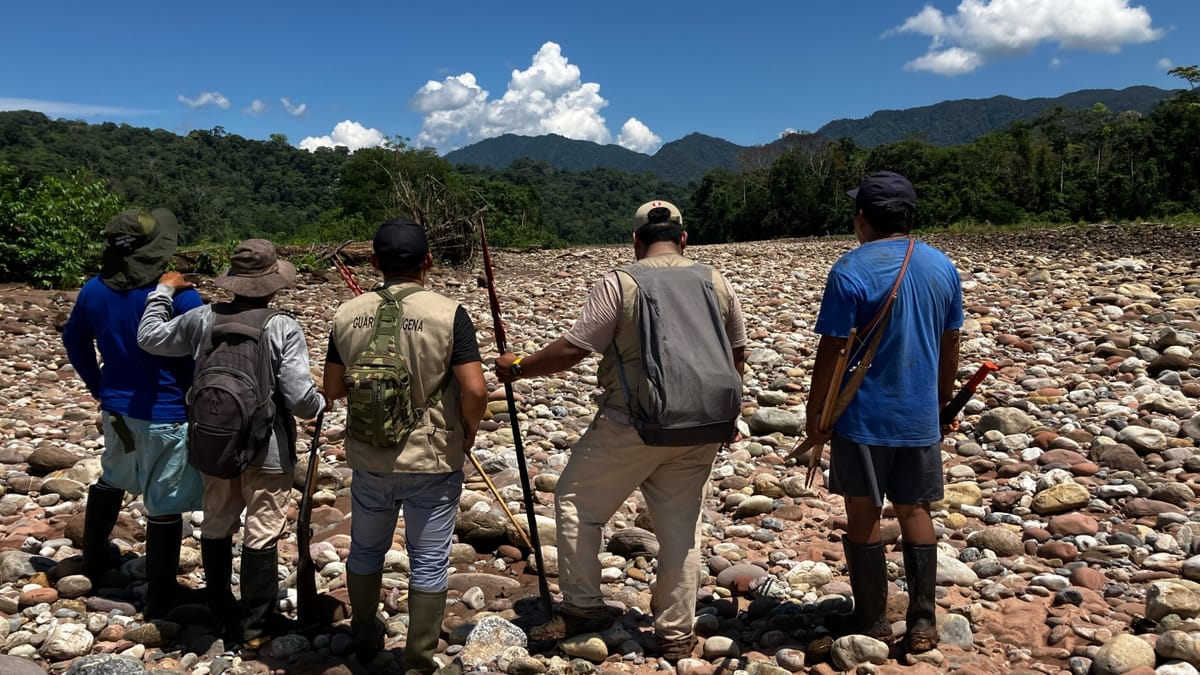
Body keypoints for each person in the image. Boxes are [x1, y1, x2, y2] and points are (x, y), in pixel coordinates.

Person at [496, 200, 747, 663]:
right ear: (684, 238)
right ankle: (675, 633)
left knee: (575, 501)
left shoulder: (620, 282)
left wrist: (518, 367)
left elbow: (574, 349)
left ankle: (584, 608)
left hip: (633, 424)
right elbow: (737, 355)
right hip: (704, 425)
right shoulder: (717, 281)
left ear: (635, 241)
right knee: (681, 529)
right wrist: (729, 416)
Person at [136, 238, 325, 646]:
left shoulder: (203, 317)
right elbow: (299, 400)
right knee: (263, 528)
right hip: (268, 446)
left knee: (217, 521)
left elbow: (149, 338)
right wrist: (321, 402)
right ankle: (256, 625)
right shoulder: (282, 326)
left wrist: (163, 292)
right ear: (273, 284)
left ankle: (221, 612)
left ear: (233, 282)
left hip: (213, 440)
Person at [805, 171, 962, 653]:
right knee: (915, 509)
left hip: (862, 417)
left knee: (863, 511)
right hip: (919, 415)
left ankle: (871, 618)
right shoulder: (941, 266)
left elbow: (833, 349)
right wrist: (941, 402)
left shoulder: (849, 270)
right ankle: (922, 622)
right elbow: (950, 341)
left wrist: (816, 415)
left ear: (862, 219)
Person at [322, 218, 486, 672]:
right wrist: (468, 430)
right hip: (432, 456)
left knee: (365, 550)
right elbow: (475, 390)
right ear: (428, 262)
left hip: (369, 455)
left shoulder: (347, 313)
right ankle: (418, 660)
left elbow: (332, 389)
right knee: (429, 561)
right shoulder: (450, 313)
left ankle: (364, 637)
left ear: (374, 263)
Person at [62, 208, 205, 618]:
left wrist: (98, 386)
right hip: (167, 412)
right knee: (165, 499)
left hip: (118, 409)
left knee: (113, 474)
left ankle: (93, 558)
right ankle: (162, 594)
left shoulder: (93, 290)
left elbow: (74, 341)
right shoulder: (182, 297)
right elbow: (201, 356)